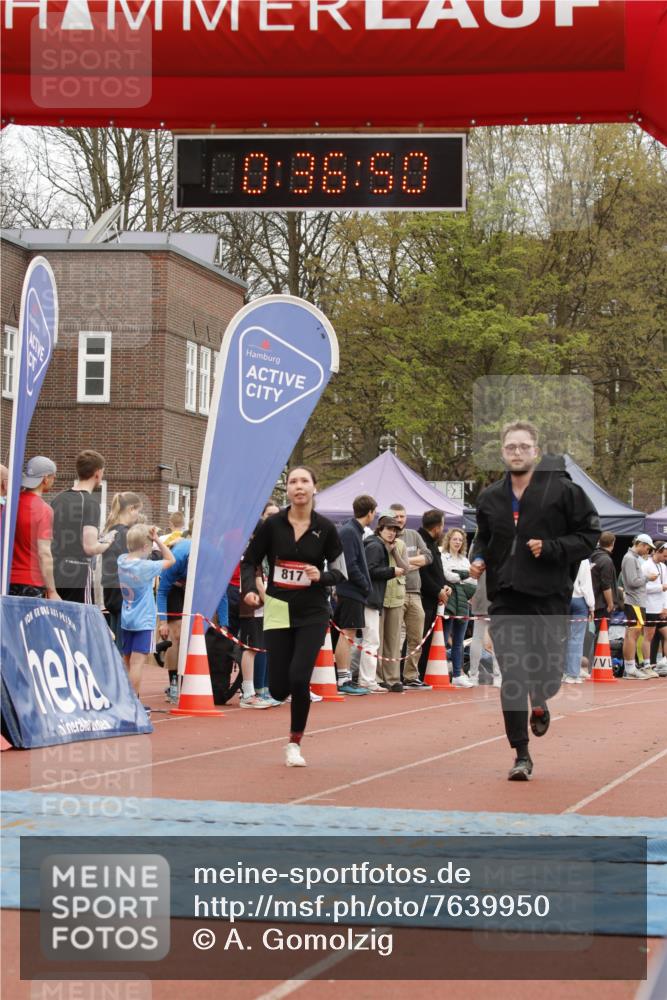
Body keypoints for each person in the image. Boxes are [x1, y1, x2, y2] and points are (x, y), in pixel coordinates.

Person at [470, 425, 600, 781]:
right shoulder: (490, 497)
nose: (516, 452)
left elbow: (589, 536)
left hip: (548, 597)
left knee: (548, 675)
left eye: (523, 446)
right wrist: (479, 557)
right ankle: (521, 755)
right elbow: (483, 537)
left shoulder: (564, 493)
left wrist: (553, 548)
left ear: (536, 451)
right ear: (502, 451)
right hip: (507, 597)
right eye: (510, 446)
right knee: (512, 675)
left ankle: (541, 699)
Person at [241, 467, 346, 767]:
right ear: (286, 489)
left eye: (304, 481)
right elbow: (250, 562)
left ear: (315, 488)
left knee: (300, 677)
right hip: (276, 607)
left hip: (313, 610)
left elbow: (341, 572)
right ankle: (282, 694)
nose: (298, 487)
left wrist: (321, 575)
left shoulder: (326, 528)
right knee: (278, 688)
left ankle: (294, 744)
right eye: (293, 482)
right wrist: (250, 589)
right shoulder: (272, 525)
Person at [118, 524, 175, 698]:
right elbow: (171, 559)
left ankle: (125, 697)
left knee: (127, 660)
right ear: (145, 547)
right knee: (137, 663)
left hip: (127, 617)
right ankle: (133, 701)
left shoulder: (121, 560)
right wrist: (157, 539)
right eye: (149, 548)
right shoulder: (145, 566)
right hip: (143, 620)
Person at [51, 449, 114, 603]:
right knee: (79, 622)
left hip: (54, 570)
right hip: (77, 572)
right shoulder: (91, 503)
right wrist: (108, 542)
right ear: (98, 473)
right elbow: (90, 547)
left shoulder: (58, 499)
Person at [332, 494, 377, 696]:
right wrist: (365, 585)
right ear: (370, 513)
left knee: (348, 633)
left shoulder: (353, 531)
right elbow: (350, 564)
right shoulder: (350, 532)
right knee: (347, 633)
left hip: (352, 591)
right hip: (351, 591)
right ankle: (343, 678)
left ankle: (345, 677)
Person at [239, 500, 281, 708]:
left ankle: (258, 691)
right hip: (251, 609)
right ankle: (247, 693)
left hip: (261, 608)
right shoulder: (252, 554)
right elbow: (256, 582)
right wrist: (271, 602)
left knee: (258, 647)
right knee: (250, 648)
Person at [389, 503, 432, 690]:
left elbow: (428, 557)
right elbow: (391, 563)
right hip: (395, 592)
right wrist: (414, 562)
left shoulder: (414, 535)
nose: (399, 519)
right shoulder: (388, 535)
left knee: (416, 637)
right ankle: (393, 676)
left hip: (415, 592)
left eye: (402, 516)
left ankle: (411, 676)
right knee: (395, 638)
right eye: (396, 516)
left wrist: (405, 562)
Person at [9, 456, 59, 600]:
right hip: (31, 582)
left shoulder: (10, 503)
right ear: (45, 479)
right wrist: (52, 591)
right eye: (53, 477)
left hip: (7, 579)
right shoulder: (44, 510)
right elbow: (45, 554)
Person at [101, 491, 142, 651]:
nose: (138, 515)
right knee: (122, 645)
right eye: (138, 511)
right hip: (123, 590)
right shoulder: (125, 534)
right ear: (131, 509)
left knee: (113, 640)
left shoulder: (110, 531)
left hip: (109, 589)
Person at [375, 512, 411, 692]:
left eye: (395, 530)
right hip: (379, 596)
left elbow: (406, 568)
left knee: (393, 640)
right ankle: (377, 677)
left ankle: (393, 678)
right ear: (380, 529)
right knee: (377, 639)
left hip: (396, 596)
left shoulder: (401, 544)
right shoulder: (374, 544)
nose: (392, 533)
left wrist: (394, 551)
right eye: (389, 529)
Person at [417, 509, 452, 678]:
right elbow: (422, 574)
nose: (444, 529)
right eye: (443, 526)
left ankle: (421, 674)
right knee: (420, 639)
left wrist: (444, 586)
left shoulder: (430, 542)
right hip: (424, 600)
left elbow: (436, 571)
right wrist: (437, 590)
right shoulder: (421, 542)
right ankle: (414, 674)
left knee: (427, 640)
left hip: (433, 599)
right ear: (437, 527)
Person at [441, 527, 476, 688]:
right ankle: (439, 671)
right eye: (454, 539)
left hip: (463, 605)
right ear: (449, 539)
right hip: (448, 604)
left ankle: (457, 674)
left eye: (460, 540)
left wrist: (457, 578)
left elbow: (472, 582)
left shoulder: (464, 559)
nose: (457, 542)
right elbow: (447, 575)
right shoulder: (443, 556)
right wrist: (463, 575)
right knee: (443, 638)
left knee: (459, 642)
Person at [620, 533, 656, 679]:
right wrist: (647, 578)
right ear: (640, 544)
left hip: (636, 601)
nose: (648, 551)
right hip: (634, 601)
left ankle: (631, 668)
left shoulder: (632, 558)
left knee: (632, 634)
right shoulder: (630, 558)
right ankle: (630, 669)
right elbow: (633, 582)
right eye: (647, 548)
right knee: (632, 634)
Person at [563, 558, 595, 684]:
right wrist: (591, 606)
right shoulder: (584, 560)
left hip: (563, 599)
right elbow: (586, 585)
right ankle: (573, 673)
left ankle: (563, 671)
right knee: (577, 638)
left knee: (562, 637)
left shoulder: (562, 554)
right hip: (579, 600)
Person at [643, 539, 667, 675]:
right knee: (648, 636)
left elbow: (666, 588)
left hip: (660, 607)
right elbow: (643, 587)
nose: (665, 559)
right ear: (657, 552)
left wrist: (665, 607)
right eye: (664, 556)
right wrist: (660, 587)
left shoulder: (663, 567)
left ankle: (664, 662)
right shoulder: (646, 565)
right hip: (650, 606)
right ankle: (647, 665)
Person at [590, 531, 620, 640]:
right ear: (612, 543)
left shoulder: (593, 556)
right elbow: (606, 585)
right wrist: (610, 604)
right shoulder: (606, 560)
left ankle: (593, 656)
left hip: (594, 602)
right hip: (602, 605)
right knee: (601, 635)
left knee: (596, 634)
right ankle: (597, 657)